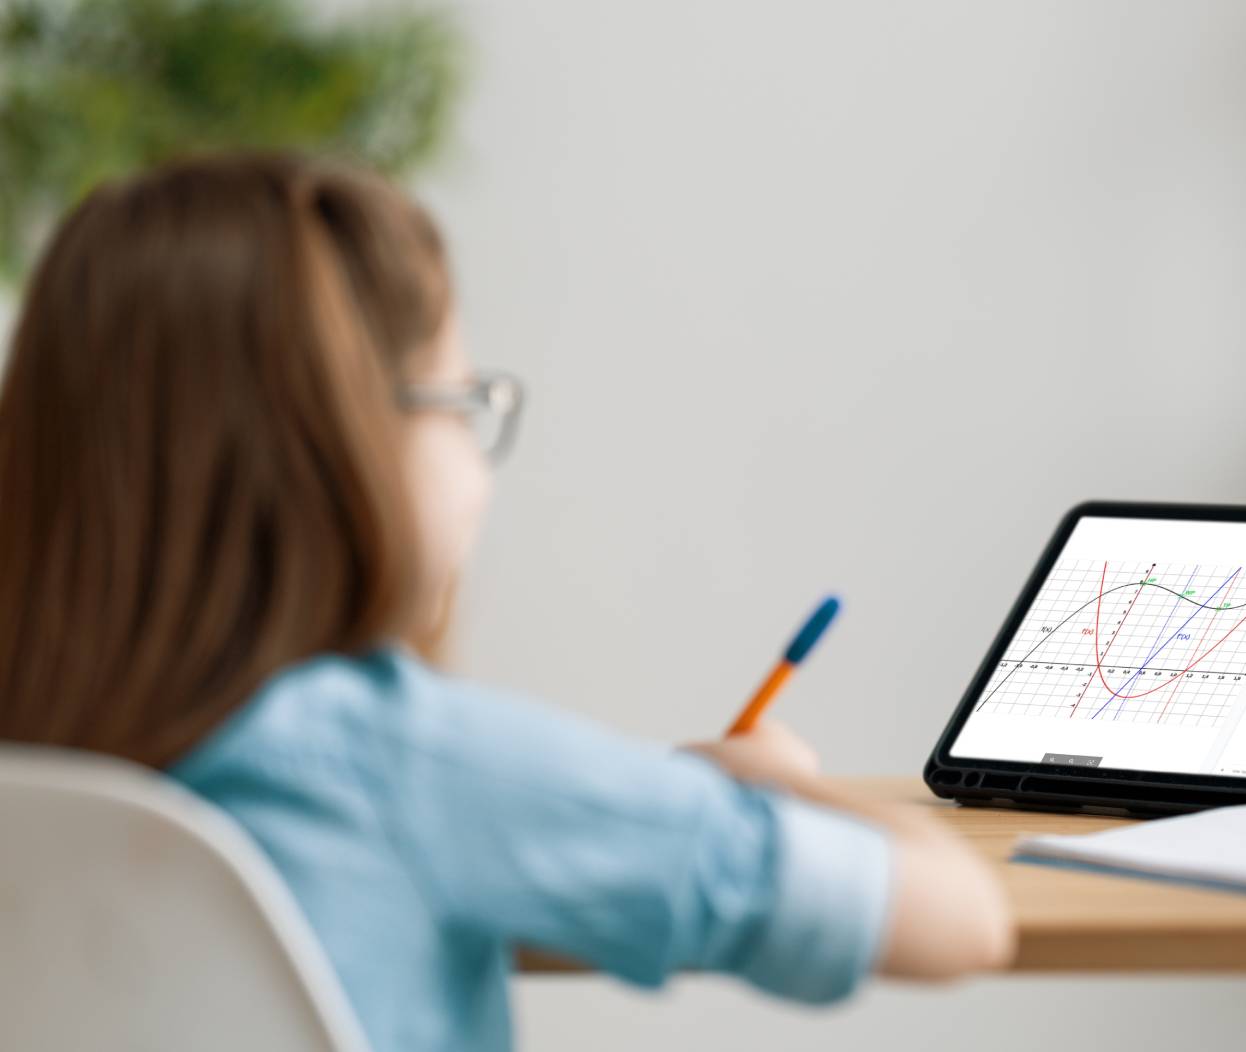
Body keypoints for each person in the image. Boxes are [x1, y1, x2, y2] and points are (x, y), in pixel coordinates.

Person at [0, 154, 1013, 1052]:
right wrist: (782, 786)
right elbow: (961, 918)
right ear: (350, 444)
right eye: (465, 401)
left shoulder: (36, 746)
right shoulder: (404, 762)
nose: (482, 464)